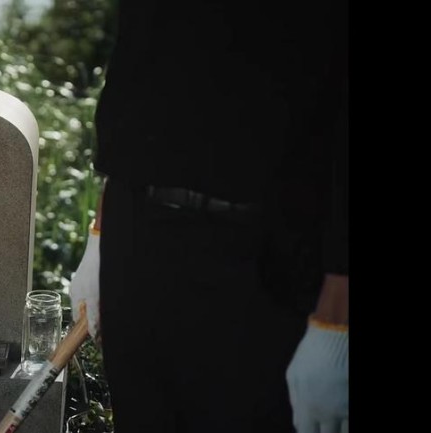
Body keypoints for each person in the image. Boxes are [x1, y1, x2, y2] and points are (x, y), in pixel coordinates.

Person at [69, 1, 348, 432]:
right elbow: (139, 67)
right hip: (136, 237)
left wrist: (338, 319)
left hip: (266, 261)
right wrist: (102, 232)